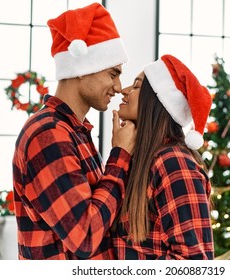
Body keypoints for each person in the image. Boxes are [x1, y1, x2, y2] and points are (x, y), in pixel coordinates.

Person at [12, 3, 136, 260]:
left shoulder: (73, 131)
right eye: (113, 74)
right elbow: (86, 236)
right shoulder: (48, 135)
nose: (118, 87)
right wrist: (121, 155)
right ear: (81, 70)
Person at [111, 54, 214, 259]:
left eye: (136, 86)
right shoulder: (141, 160)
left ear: (156, 101)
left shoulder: (174, 163)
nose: (123, 91)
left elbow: (194, 262)